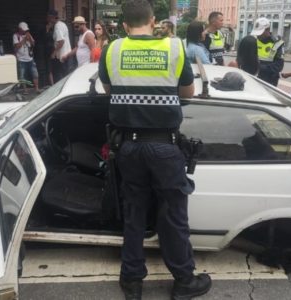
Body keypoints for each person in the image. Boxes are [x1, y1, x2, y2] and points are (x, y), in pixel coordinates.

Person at [98, 1, 212, 299]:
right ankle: (184, 282)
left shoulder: (112, 49)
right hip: (164, 146)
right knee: (173, 215)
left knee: (134, 212)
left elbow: (109, 91)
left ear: (124, 25)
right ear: (153, 20)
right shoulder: (174, 48)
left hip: (129, 147)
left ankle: (132, 281)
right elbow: (188, 93)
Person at [251, 17, 284, 86]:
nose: (258, 35)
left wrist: (258, 67)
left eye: (260, 32)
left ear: (267, 30)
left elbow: (278, 66)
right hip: (253, 79)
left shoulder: (277, 44)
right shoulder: (253, 41)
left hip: (269, 82)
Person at [13, 22, 40, 94]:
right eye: (23, 30)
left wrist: (30, 39)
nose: (25, 31)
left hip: (30, 58)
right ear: (20, 29)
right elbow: (17, 47)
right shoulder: (16, 36)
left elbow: (33, 44)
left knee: (35, 74)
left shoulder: (28, 34)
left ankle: (37, 89)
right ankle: (25, 90)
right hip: (21, 59)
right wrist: (24, 39)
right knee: (22, 76)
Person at [47, 9, 72, 82]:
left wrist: (54, 53)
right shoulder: (62, 24)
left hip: (61, 56)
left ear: (52, 17)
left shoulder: (57, 26)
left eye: (48, 17)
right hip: (66, 54)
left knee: (59, 77)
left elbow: (61, 41)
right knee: (65, 75)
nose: (48, 19)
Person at [44, 20, 54, 86]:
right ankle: (52, 83)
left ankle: (53, 83)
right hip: (48, 52)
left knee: (51, 69)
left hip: (52, 51)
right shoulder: (47, 32)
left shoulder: (52, 32)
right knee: (49, 69)